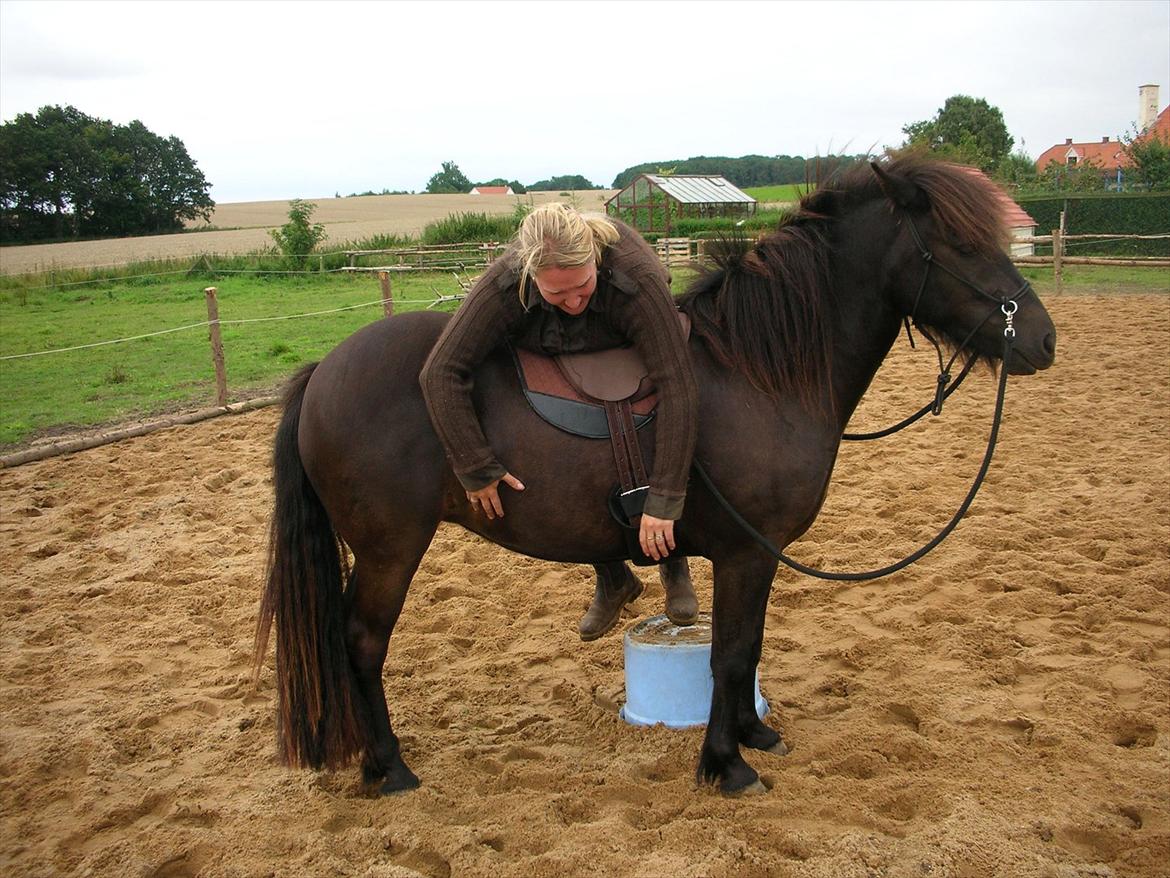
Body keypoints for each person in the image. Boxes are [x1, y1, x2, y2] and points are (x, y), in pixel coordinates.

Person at [420, 203, 699, 639]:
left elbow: (679, 384)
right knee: (571, 449)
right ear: (530, 275)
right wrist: (474, 466)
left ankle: (674, 563)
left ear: (594, 259)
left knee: (647, 417)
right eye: (556, 293)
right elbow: (440, 371)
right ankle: (612, 576)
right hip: (546, 345)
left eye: (582, 286)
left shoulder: (636, 279)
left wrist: (664, 502)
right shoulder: (505, 282)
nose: (572, 301)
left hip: (623, 335)